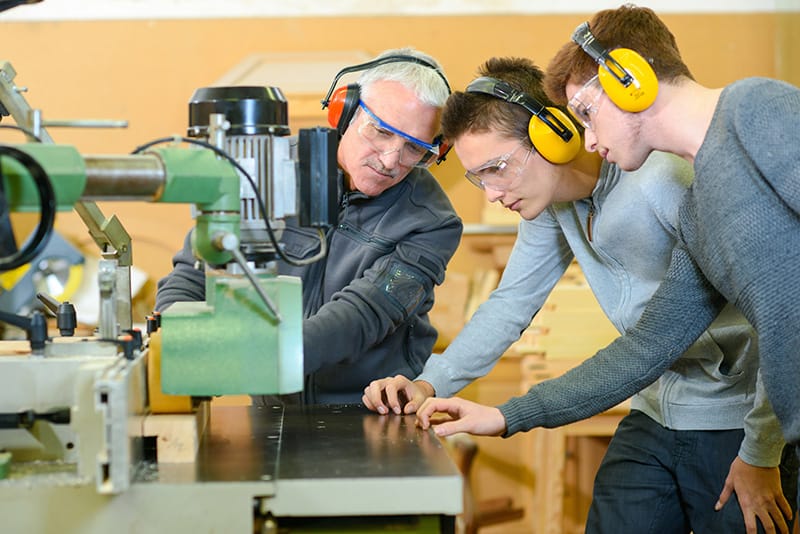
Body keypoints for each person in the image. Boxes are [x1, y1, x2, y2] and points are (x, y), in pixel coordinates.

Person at [362, 55, 797, 533]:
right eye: (478, 177)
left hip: (739, 421)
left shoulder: (665, 183)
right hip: (653, 408)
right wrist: (430, 384)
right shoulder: (551, 207)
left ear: (553, 134)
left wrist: (762, 449)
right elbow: (510, 305)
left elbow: (781, 324)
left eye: (497, 168)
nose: (490, 193)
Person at [155, 47, 463, 405]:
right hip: (274, 413)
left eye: (415, 148)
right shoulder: (267, 171)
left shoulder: (432, 221)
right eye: (380, 132)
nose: (392, 160)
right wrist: (169, 341)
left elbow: (365, 314)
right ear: (344, 112)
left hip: (370, 415)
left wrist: (246, 361)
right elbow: (196, 272)